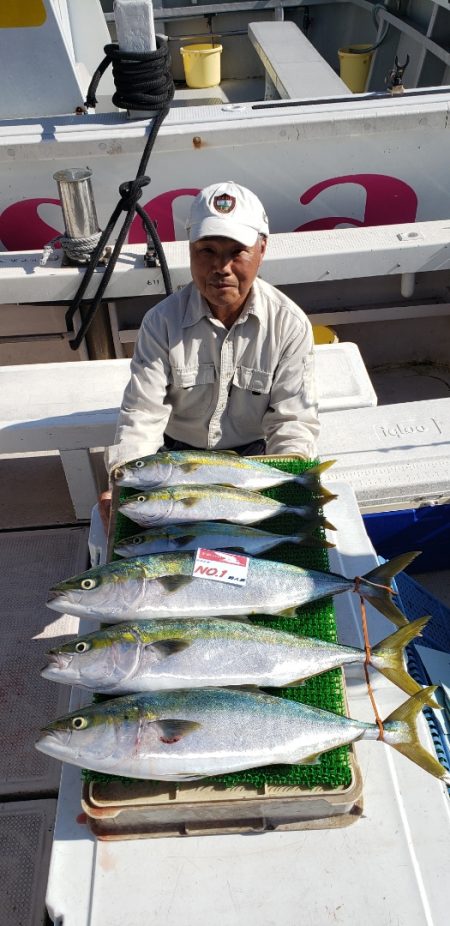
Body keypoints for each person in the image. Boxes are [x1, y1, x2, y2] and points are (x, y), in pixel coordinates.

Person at [99, 181, 320, 530]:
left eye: (237, 252)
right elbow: (143, 414)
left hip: (254, 460)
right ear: (190, 252)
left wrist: (290, 477)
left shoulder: (289, 325)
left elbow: (292, 422)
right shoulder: (160, 322)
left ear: (262, 249)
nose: (221, 267)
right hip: (175, 457)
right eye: (207, 251)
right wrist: (122, 482)